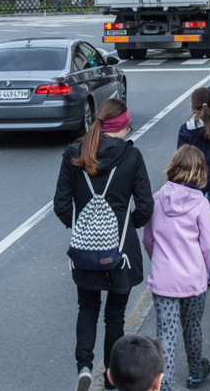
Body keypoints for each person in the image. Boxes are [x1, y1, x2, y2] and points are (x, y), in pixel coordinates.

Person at [54, 99, 154, 391]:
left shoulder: (74, 153)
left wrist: (85, 228)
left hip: (86, 251)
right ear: (122, 126)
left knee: (87, 307)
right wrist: (128, 225)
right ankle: (111, 376)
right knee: (115, 316)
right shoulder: (132, 156)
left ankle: (84, 367)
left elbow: (61, 204)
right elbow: (145, 206)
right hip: (120, 251)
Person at [143, 145, 210, 391]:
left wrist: (158, 262)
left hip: (164, 281)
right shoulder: (201, 204)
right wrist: (204, 272)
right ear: (200, 171)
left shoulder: (156, 199)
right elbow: (209, 246)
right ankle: (195, 373)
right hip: (193, 280)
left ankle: (165, 386)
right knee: (193, 327)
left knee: (166, 335)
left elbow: (149, 240)